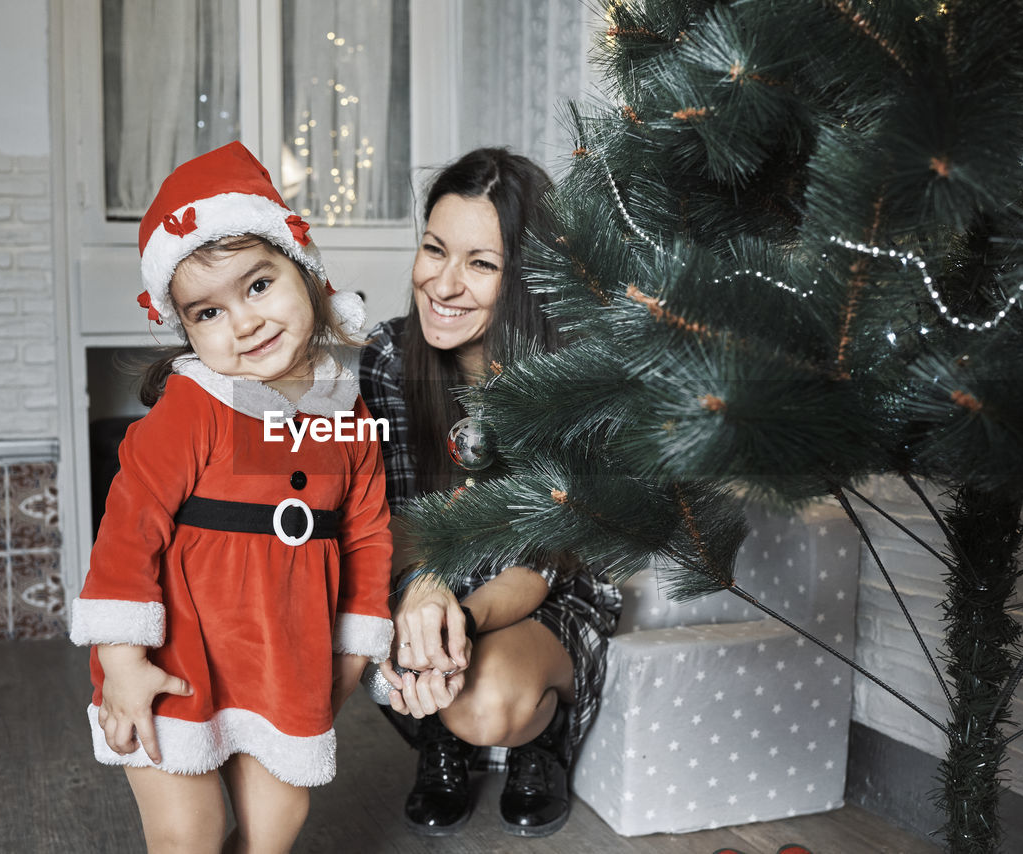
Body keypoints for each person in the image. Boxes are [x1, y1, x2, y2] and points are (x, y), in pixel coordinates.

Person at [70, 141, 394, 854]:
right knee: (191, 832)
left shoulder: (348, 412)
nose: (243, 322)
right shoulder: (195, 407)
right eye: (207, 314)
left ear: (304, 274)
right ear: (184, 328)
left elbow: (367, 534)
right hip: (178, 657)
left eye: (256, 286)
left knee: (277, 825)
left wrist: (354, 650)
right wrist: (123, 662)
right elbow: (128, 533)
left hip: (283, 656)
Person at [359, 147, 623, 837]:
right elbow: (387, 516)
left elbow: (538, 564)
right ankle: (437, 732)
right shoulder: (387, 359)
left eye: (481, 263)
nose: (444, 284)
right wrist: (421, 594)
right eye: (434, 250)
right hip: (426, 583)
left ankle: (538, 734)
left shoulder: (568, 381)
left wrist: (453, 625)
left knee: (484, 703)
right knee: (346, 630)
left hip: (543, 592)